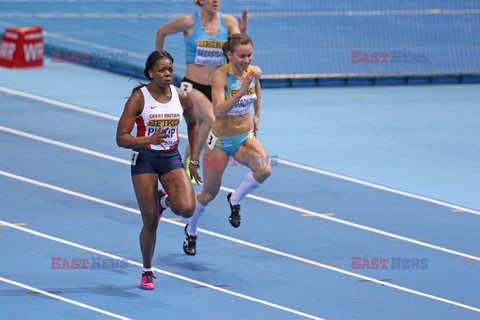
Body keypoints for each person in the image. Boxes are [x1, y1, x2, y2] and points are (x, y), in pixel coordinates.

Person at [116, 50, 202, 290]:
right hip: (144, 160)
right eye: (162, 70)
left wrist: (193, 158)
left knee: (186, 208)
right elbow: (121, 138)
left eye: (171, 70)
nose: (167, 74)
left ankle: (162, 201)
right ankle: (147, 270)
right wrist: (147, 139)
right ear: (151, 73)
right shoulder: (139, 99)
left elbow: (194, 124)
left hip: (170, 158)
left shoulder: (182, 96)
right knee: (150, 220)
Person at [182, 34, 272, 256]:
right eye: (242, 56)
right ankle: (191, 230)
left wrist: (258, 114)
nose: (247, 60)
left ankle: (235, 199)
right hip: (220, 143)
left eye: (249, 54)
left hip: (243, 138)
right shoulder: (220, 77)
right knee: (208, 194)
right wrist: (240, 92)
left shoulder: (254, 72)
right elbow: (218, 111)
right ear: (230, 55)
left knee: (264, 169)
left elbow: (257, 87)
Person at [155, 0, 248, 182]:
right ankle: (193, 163)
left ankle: (182, 168)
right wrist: (159, 63)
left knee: (199, 130)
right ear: (201, 1)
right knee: (212, 120)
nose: (215, 1)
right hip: (192, 86)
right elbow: (162, 31)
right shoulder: (188, 22)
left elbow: (239, 48)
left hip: (215, 88)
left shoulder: (228, 22)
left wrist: (242, 32)